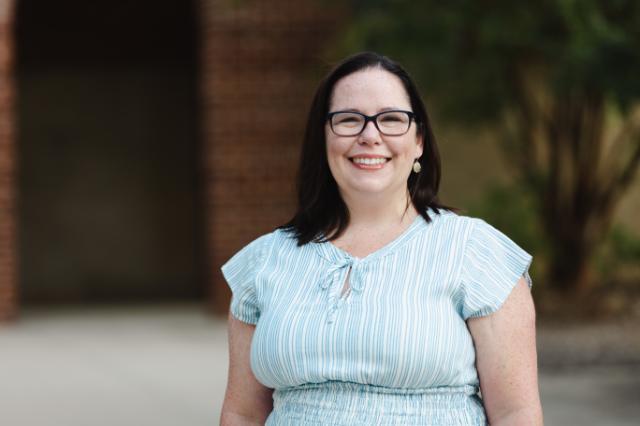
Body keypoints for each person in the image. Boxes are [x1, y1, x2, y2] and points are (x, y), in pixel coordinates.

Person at [220, 52, 543, 425]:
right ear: (322, 139)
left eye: (391, 119)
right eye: (349, 120)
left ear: (419, 140)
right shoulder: (264, 262)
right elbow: (242, 413)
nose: (369, 136)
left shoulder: (475, 253)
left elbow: (515, 413)